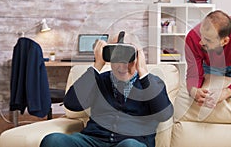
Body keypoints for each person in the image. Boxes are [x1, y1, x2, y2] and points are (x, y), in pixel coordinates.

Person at [40, 31, 174, 147]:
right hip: (94, 140)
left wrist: (143, 72)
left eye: (127, 58)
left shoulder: (151, 83)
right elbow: (71, 104)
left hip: (131, 142)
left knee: (130, 145)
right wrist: (97, 65)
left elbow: (164, 114)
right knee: (53, 141)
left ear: (138, 56)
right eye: (116, 57)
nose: (121, 66)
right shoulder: (99, 80)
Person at [185, 10, 231, 108]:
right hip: (211, 66)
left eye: (208, 40)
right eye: (202, 35)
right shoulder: (193, 37)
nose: (201, 42)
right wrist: (194, 90)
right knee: (210, 100)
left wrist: (225, 92)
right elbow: (194, 75)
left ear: (225, 41)